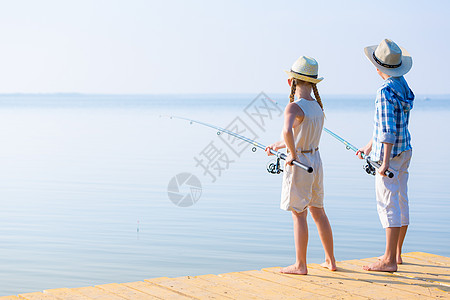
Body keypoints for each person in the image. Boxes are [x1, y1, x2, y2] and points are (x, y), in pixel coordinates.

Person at [265, 56, 336, 275]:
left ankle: (300, 264)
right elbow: (299, 134)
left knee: (299, 213)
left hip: (300, 163)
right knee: (319, 212)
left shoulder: (293, 107)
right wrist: (281, 146)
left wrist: (292, 154)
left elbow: (288, 131)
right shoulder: (317, 107)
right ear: (314, 83)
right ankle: (330, 260)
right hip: (315, 160)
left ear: (291, 82)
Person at [357, 39, 414, 272]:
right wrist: (369, 146)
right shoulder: (403, 86)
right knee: (401, 200)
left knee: (388, 203)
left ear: (378, 67)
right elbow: (388, 125)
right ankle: (396, 253)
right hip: (406, 150)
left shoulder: (384, 91)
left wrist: (384, 161)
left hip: (390, 155)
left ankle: (389, 261)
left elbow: (388, 130)